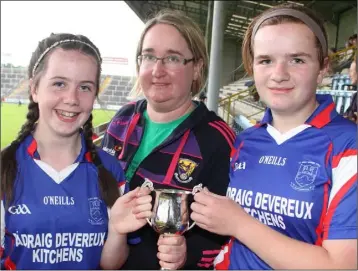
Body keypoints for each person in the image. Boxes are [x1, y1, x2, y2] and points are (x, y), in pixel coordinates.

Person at [191, 3, 357, 270]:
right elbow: (232, 242)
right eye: (266, 60)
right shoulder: (246, 141)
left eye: (297, 60)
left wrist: (240, 224)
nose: (279, 75)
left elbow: (342, 266)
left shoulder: (348, 147)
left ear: (323, 67)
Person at [0, 33, 155, 270]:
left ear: (94, 95)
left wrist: (115, 230)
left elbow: (109, 264)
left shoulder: (110, 170)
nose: (72, 99)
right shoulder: (5, 167)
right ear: (34, 89)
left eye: (84, 87)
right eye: (59, 83)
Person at [101, 9, 235, 270]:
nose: (157, 70)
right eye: (149, 56)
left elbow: (222, 233)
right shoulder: (122, 119)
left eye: (172, 58)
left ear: (196, 68)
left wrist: (187, 256)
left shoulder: (216, 139)